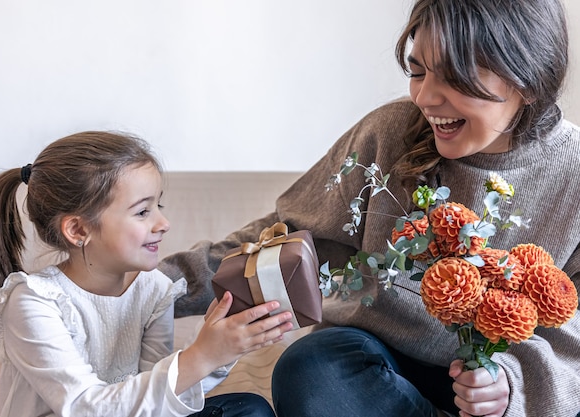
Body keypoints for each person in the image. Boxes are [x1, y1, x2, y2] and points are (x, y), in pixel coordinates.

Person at [158, 0, 580, 416]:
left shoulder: (573, 173)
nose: (425, 97)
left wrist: (512, 383)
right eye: (417, 71)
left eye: (453, 76)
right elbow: (285, 238)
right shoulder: (389, 133)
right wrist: (146, 290)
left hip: (495, 388)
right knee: (311, 368)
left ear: (526, 78)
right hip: (370, 365)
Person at [0, 131, 294, 417]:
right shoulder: (33, 302)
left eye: (159, 207)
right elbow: (84, 407)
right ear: (78, 229)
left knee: (249, 409)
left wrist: (219, 352)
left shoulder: (153, 289)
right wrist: (200, 356)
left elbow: (155, 399)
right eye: (142, 211)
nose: (162, 224)